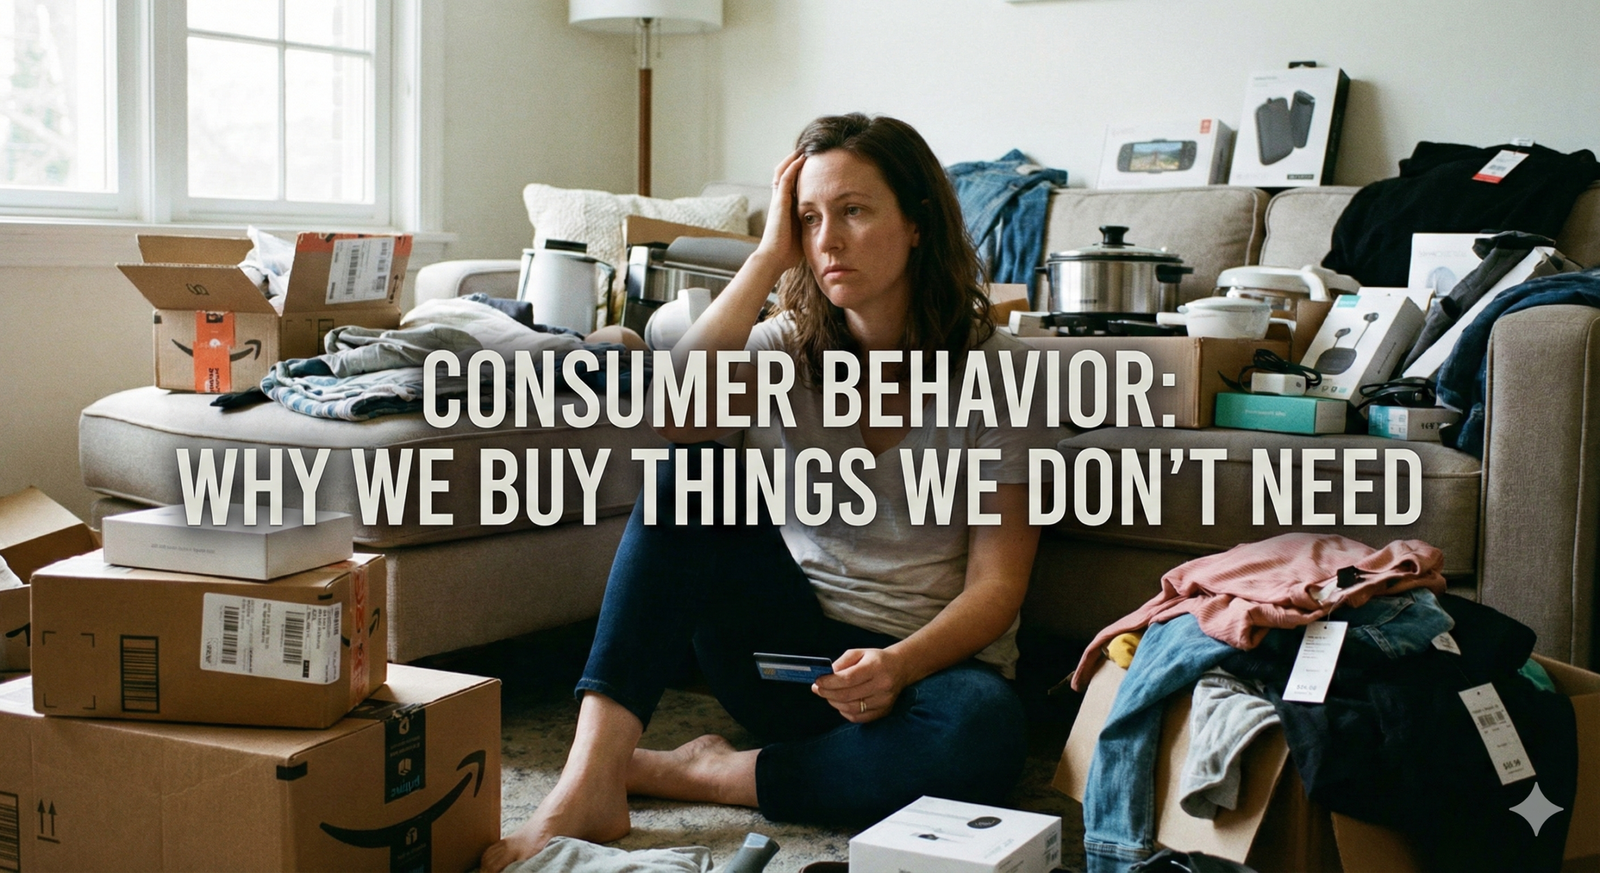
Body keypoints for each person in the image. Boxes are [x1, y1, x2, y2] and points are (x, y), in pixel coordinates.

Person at [482, 112, 1065, 873]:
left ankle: (698, 770)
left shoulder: (1003, 375)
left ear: (918, 223)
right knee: (694, 478)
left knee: (980, 736)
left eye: (854, 211)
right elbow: (674, 419)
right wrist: (764, 258)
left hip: (926, 676)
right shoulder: (785, 345)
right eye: (810, 218)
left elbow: (997, 589)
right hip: (788, 664)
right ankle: (590, 780)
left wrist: (898, 667)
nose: (829, 239)